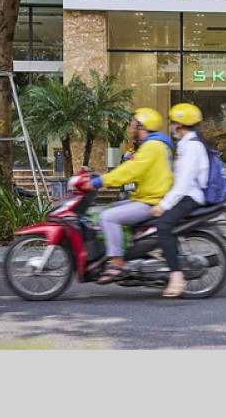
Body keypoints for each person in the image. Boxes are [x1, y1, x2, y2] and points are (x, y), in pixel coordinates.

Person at [90, 107, 173, 283]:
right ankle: (130, 253)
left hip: (151, 201)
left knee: (107, 217)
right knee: (107, 209)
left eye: (134, 124)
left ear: (143, 126)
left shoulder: (152, 146)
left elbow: (130, 170)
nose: (131, 128)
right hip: (147, 197)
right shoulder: (157, 145)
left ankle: (117, 263)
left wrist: (100, 181)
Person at [150, 102, 210, 298]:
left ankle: (176, 276)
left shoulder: (192, 147)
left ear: (180, 125)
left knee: (163, 226)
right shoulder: (185, 144)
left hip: (190, 197)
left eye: (173, 122)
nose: (171, 126)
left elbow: (184, 183)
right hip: (184, 194)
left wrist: (164, 205)